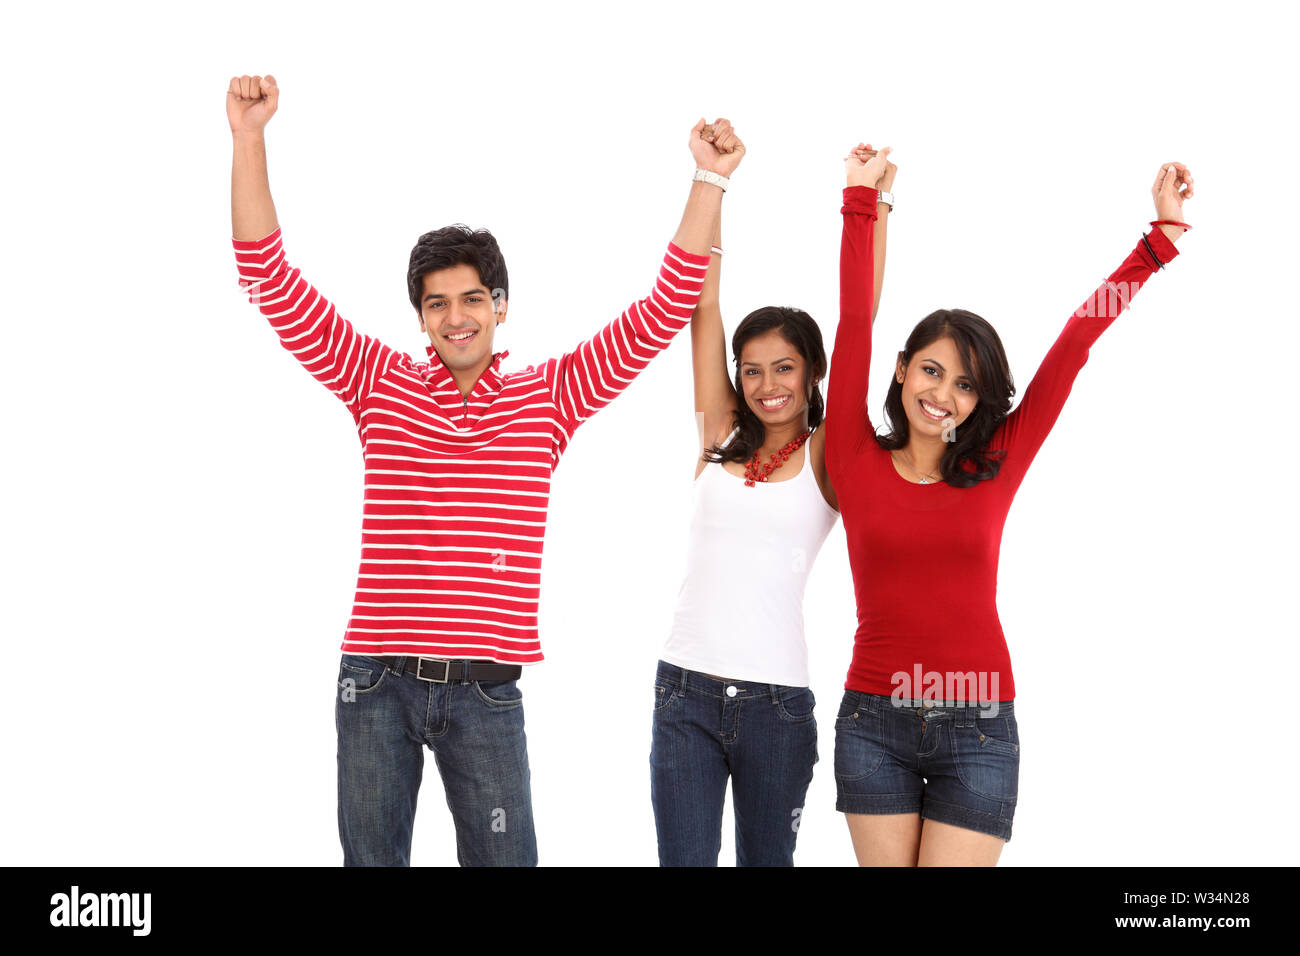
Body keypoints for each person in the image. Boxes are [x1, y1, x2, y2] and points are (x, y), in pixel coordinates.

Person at [227, 72, 739, 865]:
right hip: (377, 682)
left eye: (472, 299)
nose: (456, 317)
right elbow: (268, 277)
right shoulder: (376, 379)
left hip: (486, 692)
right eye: (437, 304)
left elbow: (665, 309)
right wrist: (250, 138)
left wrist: (707, 179)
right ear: (420, 316)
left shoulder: (550, 395)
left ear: (501, 305)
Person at [826, 145, 1192, 866]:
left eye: (965, 385)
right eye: (931, 371)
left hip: (980, 727)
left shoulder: (996, 463)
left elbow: (1075, 343)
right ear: (901, 372)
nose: (943, 395)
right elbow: (853, 319)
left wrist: (1156, 244)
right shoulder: (853, 456)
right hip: (873, 722)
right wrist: (858, 201)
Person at [649, 133, 894, 866]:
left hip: (777, 710)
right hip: (683, 696)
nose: (767, 385)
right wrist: (711, 181)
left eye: (784, 367)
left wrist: (877, 201)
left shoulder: (829, 454)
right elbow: (705, 302)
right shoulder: (718, 433)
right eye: (751, 370)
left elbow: (861, 320)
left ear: (813, 372)